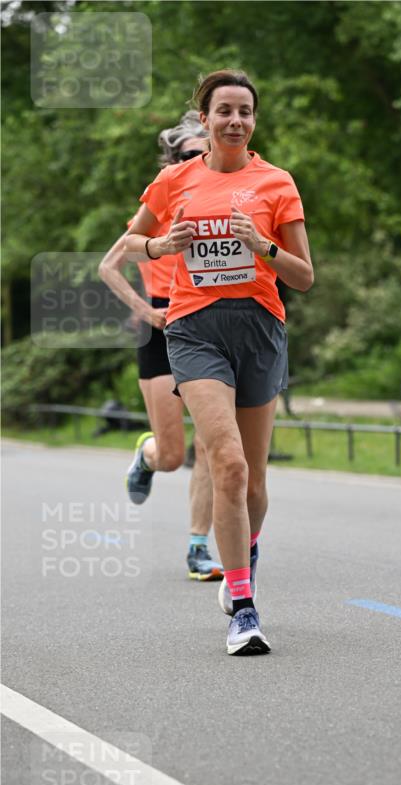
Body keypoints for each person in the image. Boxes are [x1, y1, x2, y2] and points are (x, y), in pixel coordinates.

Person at [126, 69, 314, 655]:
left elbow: (304, 277)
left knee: (253, 479)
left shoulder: (276, 183)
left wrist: (263, 246)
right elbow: (131, 242)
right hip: (194, 332)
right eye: (224, 111)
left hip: (259, 330)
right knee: (227, 465)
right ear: (204, 119)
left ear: (254, 120)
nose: (236, 121)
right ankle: (244, 609)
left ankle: (243, 556)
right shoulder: (174, 180)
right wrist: (161, 245)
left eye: (245, 112)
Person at [99, 112, 224, 582]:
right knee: (173, 456)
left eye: (204, 152)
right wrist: (145, 310)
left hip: (209, 323)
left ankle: (198, 547)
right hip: (161, 325)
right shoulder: (158, 204)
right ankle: (148, 454)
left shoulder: (222, 201)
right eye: (189, 153)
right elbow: (109, 266)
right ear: (174, 160)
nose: (198, 160)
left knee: (209, 445)